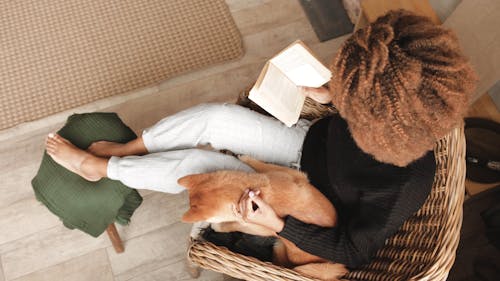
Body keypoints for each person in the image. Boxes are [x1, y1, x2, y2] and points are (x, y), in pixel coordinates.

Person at [45, 10, 476, 268]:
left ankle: (103, 167)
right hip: (307, 143)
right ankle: (128, 148)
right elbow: (357, 103)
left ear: (383, 128)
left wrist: (277, 225)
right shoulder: (378, 100)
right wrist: (334, 96)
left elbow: (352, 250)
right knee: (216, 117)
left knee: (200, 168)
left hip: (300, 197)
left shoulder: (407, 183)